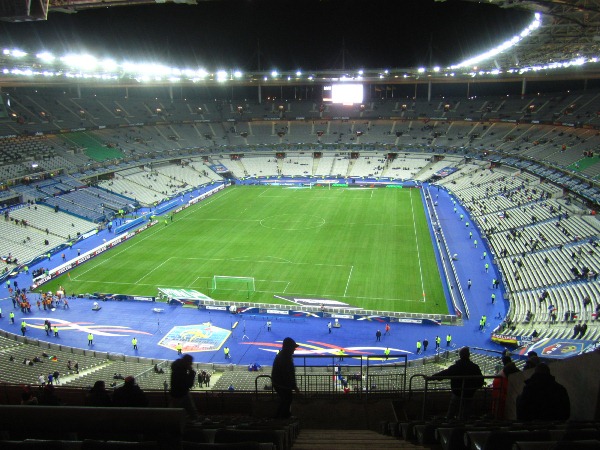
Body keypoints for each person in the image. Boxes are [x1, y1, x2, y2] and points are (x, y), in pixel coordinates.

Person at [431, 347, 484, 420]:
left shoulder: (455, 367)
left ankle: (449, 425)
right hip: (469, 394)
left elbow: (444, 374)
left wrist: (431, 377)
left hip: (457, 394)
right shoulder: (475, 367)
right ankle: (463, 426)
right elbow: (480, 381)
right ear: (469, 355)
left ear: (460, 355)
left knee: (451, 413)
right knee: (465, 414)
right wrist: (473, 389)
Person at [271, 337, 300, 419]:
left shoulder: (283, 356)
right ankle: (281, 419)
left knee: (286, 400)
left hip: (280, 383)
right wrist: (294, 387)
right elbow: (288, 374)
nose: (294, 350)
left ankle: (283, 417)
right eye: (293, 348)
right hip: (282, 384)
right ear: (288, 348)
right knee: (286, 400)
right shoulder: (284, 358)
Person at [169, 354, 198, 422]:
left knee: (173, 413)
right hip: (182, 395)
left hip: (174, 394)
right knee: (192, 413)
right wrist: (191, 373)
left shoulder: (176, 368)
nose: (191, 364)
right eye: (190, 362)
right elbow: (189, 384)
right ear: (187, 362)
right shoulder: (181, 372)